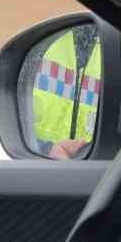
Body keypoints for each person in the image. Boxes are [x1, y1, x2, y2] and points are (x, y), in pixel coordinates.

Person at [30, 23, 102, 160]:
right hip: (39, 163)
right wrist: (47, 149)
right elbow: (17, 124)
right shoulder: (40, 43)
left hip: (93, 169)